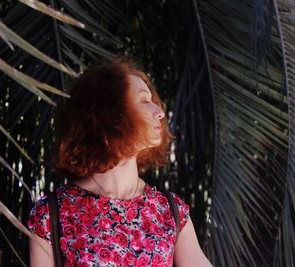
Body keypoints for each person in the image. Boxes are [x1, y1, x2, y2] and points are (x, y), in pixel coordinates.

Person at [27, 57, 213, 267]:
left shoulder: (170, 211)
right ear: (109, 115)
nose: (159, 112)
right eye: (144, 101)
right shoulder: (51, 214)